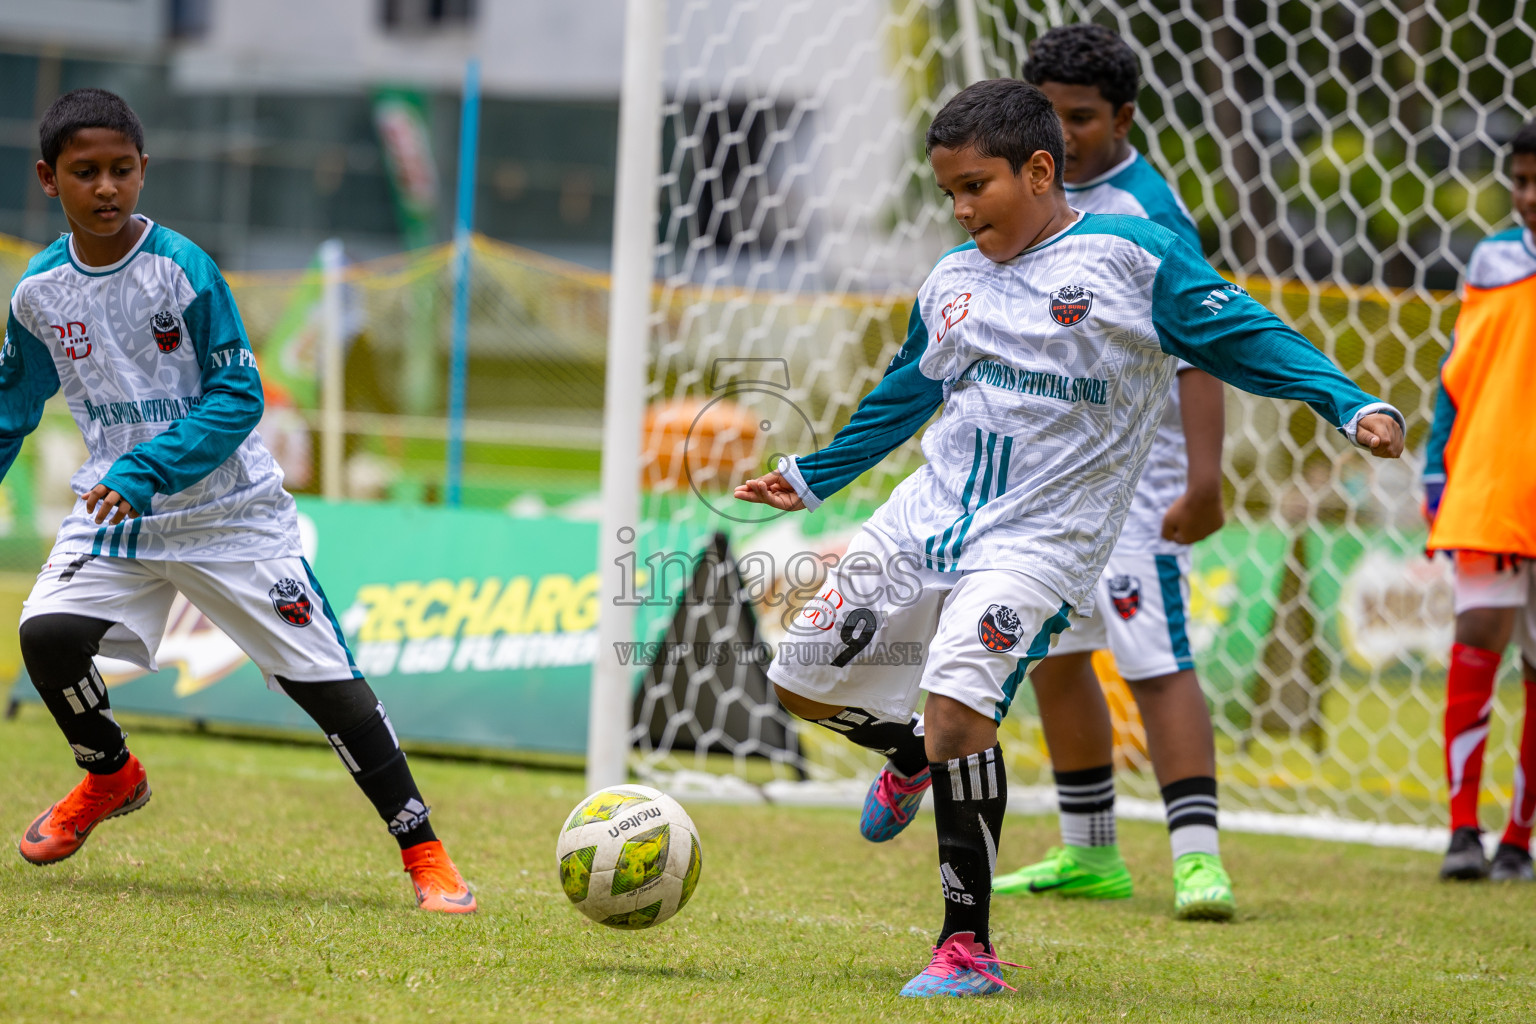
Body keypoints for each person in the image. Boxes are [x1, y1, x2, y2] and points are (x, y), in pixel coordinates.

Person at [735, 78, 1403, 998]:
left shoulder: (1131, 257)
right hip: (926, 515)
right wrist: (811, 476)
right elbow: (904, 393)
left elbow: (1246, 334)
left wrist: (1349, 401)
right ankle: (905, 755)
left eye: (978, 186)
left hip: (1043, 542)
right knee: (795, 681)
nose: (964, 210)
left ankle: (965, 949)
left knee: (961, 712)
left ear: (1040, 170)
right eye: (951, 194)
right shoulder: (951, 280)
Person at [4, 88, 476, 913]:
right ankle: (110, 776)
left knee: (326, 686)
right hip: (122, 516)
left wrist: (145, 465)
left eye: (122, 170)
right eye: (87, 173)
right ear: (50, 179)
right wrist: (127, 479)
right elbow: (11, 405)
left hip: (232, 516)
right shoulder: (39, 293)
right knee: (45, 634)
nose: (107, 187)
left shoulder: (183, 270)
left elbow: (238, 397)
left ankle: (425, 852)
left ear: (144, 171)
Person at [990, 23, 1235, 921]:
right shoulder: (1024, 196)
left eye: (1080, 119)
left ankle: (1199, 858)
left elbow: (1203, 345)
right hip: (1055, 470)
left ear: (1125, 116)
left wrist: (1203, 480)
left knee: (1153, 656)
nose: (1059, 134)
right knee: (1055, 649)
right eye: (1045, 116)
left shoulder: (1144, 212)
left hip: (1141, 473)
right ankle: (1090, 852)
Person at [1424, 117, 1536, 883]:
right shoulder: (1493, 258)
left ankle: (1519, 841)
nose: (1527, 195)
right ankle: (1463, 831)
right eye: (1519, 180)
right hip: (1492, 480)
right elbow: (1454, 376)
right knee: (1477, 639)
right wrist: (1436, 471)